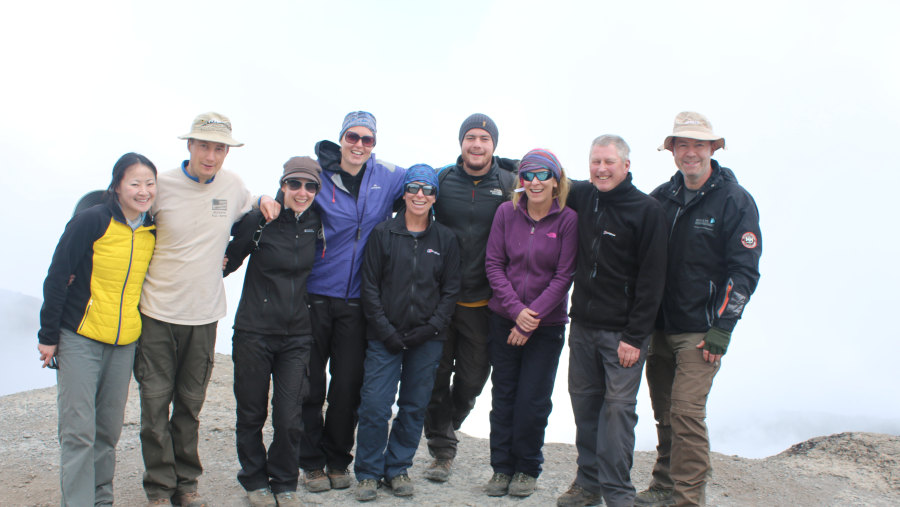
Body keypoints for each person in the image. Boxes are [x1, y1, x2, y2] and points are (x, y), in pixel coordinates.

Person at [135, 112, 280, 507]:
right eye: (204, 146)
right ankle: (159, 489)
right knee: (153, 406)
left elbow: (253, 207)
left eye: (219, 148)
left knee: (189, 406)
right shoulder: (160, 185)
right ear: (190, 146)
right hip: (156, 312)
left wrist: (268, 197)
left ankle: (187, 484)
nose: (211, 156)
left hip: (204, 316)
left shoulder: (232, 186)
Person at [636, 112, 762, 507]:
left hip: (702, 331)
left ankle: (688, 499)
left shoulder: (735, 201)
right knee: (665, 414)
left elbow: (744, 272)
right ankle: (663, 484)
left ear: (712, 149)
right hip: (659, 326)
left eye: (699, 145)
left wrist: (723, 328)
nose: (690, 153)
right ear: (672, 150)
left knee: (687, 413)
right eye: (682, 145)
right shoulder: (661, 198)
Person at [38, 152, 158, 506]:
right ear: (117, 185)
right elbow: (58, 275)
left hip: (124, 344)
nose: (143, 191)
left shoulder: (152, 229)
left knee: (107, 431)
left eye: (149, 184)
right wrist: (48, 337)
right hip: (80, 338)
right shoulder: (91, 221)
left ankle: (101, 499)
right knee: (78, 433)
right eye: (134, 183)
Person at [557, 136, 667, 507]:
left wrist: (635, 337)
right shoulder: (584, 197)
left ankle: (618, 493)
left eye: (608, 162)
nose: (601, 169)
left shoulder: (646, 211)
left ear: (626, 165)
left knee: (618, 411)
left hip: (624, 335)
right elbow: (547, 175)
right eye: (595, 162)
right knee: (585, 406)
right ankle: (588, 484)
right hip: (583, 328)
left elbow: (653, 281)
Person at [299, 111, 406, 493]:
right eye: (352, 137)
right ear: (341, 138)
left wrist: (501, 171)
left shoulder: (389, 175)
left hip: (359, 300)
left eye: (367, 139)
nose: (359, 145)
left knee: (347, 386)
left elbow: (432, 181)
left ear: (375, 143)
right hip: (316, 293)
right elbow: (289, 191)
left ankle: (337, 459)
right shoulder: (319, 173)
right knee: (310, 386)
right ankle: (311, 463)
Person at [353, 164, 461, 502]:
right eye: (414, 187)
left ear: (434, 197)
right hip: (384, 337)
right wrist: (385, 331)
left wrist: (430, 329)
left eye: (427, 190)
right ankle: (369, 474)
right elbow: (369, 286)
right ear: (404, 192)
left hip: (427, 340)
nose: (419, 195)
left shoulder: (446, 239)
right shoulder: (384, 233)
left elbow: (450, 290)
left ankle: (397, 469)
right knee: (374, 405)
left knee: (414, 407)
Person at [223, 157, 323, 507]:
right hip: (254, 331)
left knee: (289, 416)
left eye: (310, 186)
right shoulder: (261, 220)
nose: (302, 192)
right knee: (251, 412)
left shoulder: (317, 222)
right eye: (295, 184)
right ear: (283, 185)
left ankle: (284, 482)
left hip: (297, 335)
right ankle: (254, 480)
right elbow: (226, 263)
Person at [423, 113, 517, 481]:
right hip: (439, 299)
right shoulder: (442, 179)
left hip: (484, 303)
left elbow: (556, 192)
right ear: (461, 142)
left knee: (472, 380)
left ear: (494, 144)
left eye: (484, 138)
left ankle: (445, 424)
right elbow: (406, 198)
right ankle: (442, 451)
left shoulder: (509, 182)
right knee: (434, 376)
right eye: (470, 137)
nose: (477, 144)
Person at [482, 148, 578, 498]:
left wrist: (530, 318)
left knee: (533, 400)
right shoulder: (505, 213)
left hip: (546, 327)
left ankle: (526, 469)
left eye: (543, 175)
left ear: (556, 180)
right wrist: (514, 311)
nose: (535, 182)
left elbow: (564, 274)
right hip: (503, 319)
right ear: (520, 181)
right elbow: (494, 264)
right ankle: (501, 469)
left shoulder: (568, 220)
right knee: (504, 395)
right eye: (528, 175)